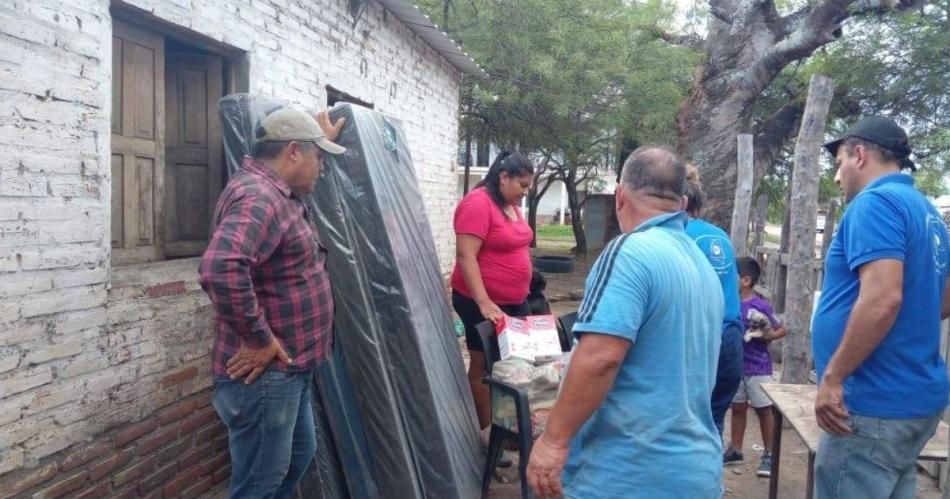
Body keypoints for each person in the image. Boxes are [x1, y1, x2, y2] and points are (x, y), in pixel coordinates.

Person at [526, 147, 723, 499]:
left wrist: (553, 442)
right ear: (682, 201)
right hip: (695, 472)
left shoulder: (628, 251)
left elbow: (601, 358)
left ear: (620, 195)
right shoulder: (700, 262)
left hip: (628, 474)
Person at [199, 107, 346, 499]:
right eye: (318, 158)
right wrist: (259, 339)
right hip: (265, 377)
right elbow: (221, 268)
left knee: (296, 458)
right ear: (294, 152)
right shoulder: (259, 197)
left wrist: (322, 141)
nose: (321, 169)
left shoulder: (280, 192)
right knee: (259, 483)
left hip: (288, 371)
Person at [812, 116, 950, 498]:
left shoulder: (874, 204)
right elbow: (942, 296)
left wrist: (834, 377)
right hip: (913, 398)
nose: (838, 178)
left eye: (839, 163)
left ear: (859, 155)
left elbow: (883, 298)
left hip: (873, 401)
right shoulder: (926, 212)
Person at [451, 151, 535, 431]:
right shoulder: (478, 203)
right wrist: (484, 302)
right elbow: (466, 256)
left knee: (515, 366)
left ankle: (509, 428)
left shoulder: (509, 204)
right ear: (503, 177)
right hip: (479, 302)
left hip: (515, 301)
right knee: (484, 365)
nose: (525, 192)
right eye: (522, 185)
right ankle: (486, 433)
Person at [684, 165, 744, 439]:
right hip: (730, 339)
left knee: (686, 426)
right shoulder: (719, 236)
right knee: (713, 424)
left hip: (696, 342)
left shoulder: (677, 237)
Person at [723, 257, 786, 477]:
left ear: (746, 280)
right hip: (736, 366)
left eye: (734, 276)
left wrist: (765, 335)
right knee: (738, 408)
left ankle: (769, 454)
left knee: (763, 410)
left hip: (758, 368)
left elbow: (781, 329)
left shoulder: (760, 306)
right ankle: (736, 450)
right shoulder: (727, 302)